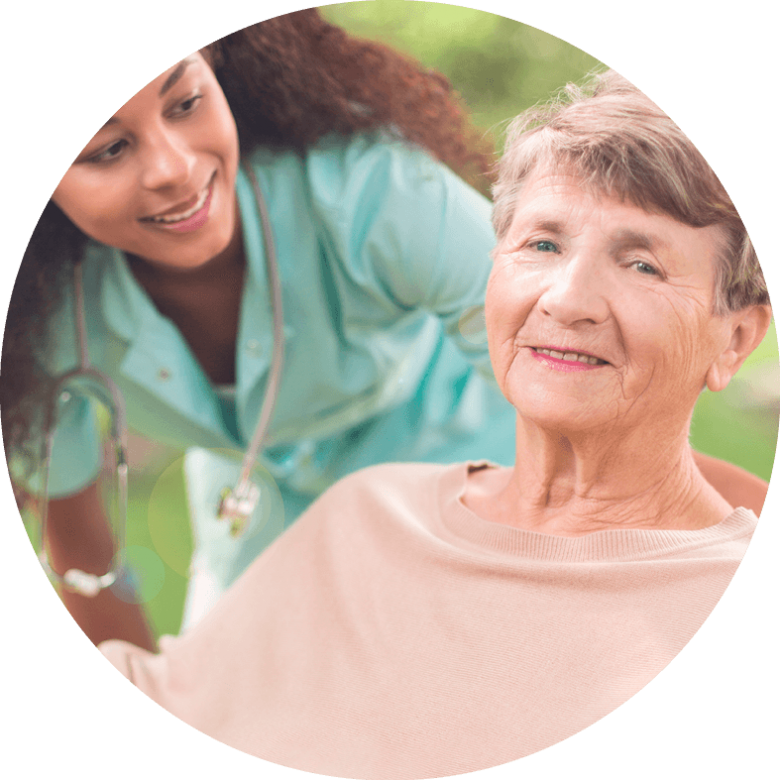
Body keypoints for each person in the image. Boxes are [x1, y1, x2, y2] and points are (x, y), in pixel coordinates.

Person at [1, 14, 766, 652]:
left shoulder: (373, 192)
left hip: (468, 447)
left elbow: (608, 400)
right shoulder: (38, 321)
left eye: (185, 102)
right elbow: (84, 557)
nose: (173, 167)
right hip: (259, 499)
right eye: (106, 148)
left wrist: (731, 524)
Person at [99, 69, 771, 778]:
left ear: (734, 339)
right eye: (542, 245)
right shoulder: (367, 517)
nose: (567, 299)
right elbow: (173, 694)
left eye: (642, 264)